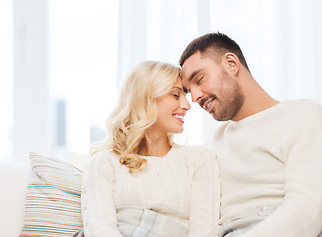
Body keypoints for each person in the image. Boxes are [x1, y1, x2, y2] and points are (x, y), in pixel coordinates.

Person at [179, 32, 322, 237]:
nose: (195, 97)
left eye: (199, 79)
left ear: (231, 63)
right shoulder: (215, 142)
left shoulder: (303, 115)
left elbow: (304, 214)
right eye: (188, 90)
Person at [80, 61, 220, 237]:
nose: (187, 105)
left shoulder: (199, 159)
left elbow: (204, 230)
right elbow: (100, 230)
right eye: (176, 95)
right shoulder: (103, 164)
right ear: (145, 98)